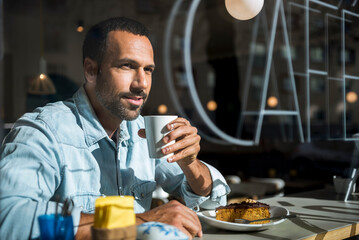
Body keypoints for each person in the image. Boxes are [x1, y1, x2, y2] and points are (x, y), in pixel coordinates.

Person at [0, 17, 229, 239]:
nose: (142, 84)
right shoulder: (43, 132)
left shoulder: (142, 132)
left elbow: (215, 202)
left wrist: (191, 165)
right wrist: (138, 221)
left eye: (148, 70)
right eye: (127, 66)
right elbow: (8, 218)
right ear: (91, 70)